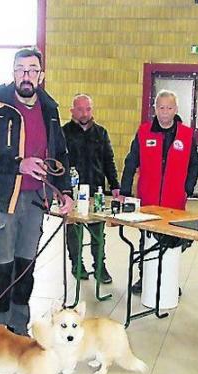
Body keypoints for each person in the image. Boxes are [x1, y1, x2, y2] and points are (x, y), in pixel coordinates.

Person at [0, 47, 73, 336]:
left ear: (41, 74)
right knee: (1, 268)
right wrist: (17, 164)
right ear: (13, 73)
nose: (26, 75)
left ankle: (18, 327)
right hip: (1, 200)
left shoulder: (50, 108)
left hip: (36, 201)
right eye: (20, 69)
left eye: (32, 69)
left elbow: (60, 151)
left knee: (25, 268)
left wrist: (66, 191)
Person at [120, 89, 198, 293]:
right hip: (148, 200)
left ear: (176, 109)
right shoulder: (144, 131)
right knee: (146, 240)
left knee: (172, 241)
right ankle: (144, 277)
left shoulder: (187, 134)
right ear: (155, 109)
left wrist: (187, 189)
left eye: (169, 107)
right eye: (161, 107)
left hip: (174, 201)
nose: (165, 112)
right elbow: (131, 162)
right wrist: (125, 189)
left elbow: (194, 165)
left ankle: (168, 279)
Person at [63, 94, 120, 284]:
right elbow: (58, 164)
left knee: (98, 232)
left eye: (88, 109)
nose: (84, 113)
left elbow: (108, 161)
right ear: (72, 111)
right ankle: (76, 264)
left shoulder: (101, 133)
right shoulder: (63, 133)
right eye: (80, 109)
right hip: (72, 193)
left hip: (96, 191)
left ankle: (100, 266)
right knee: (74, 231)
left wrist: (115, 186)